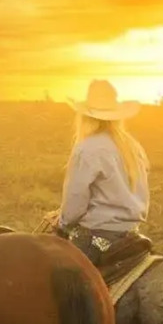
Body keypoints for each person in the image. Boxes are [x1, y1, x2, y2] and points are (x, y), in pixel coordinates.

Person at [58, 79, 149, 265]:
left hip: (96, 236)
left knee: (55, 275)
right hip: (131, 234)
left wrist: (62, 222)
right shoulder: (133, 147)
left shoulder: (87, 148)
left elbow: (75, 200)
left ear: (85, 117)